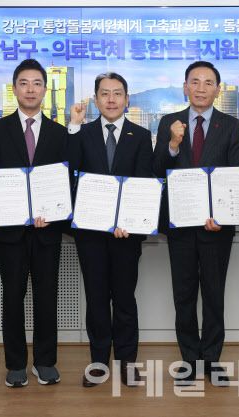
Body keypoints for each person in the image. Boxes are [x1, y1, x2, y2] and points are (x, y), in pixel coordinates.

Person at [0, 59, 69, 388]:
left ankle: (45, 362)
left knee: (46, 296)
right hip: (10, 230)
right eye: (24, 83)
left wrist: (53, 212)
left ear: (45, 89)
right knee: (12, 296)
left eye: (37, 83)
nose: (30, 89)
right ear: (15, 89)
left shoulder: (59, 132)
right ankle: (15, 364)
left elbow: (65, 180)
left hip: (46, 229)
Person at [153, 60, 239, 385]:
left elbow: (237, 173)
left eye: (208, 83)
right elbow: (156, 169)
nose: (201, 88)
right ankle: (190, 360)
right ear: (185, 87)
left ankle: (212, 360)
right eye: (195, 82)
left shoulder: (231, 125)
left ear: (217, 90)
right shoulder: (169, 122)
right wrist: (173, 144)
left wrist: (223, 215)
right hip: (180, 226)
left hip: (216, 228)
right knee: (184, 295)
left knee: (214, 296)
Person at [67, 72, 153, 387]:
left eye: (117, 93)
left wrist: (128, 221)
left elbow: (143, 182)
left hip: (126, 235)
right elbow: (69, 169)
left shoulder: (141, 136)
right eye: (105, 93)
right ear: (96, 99)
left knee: (125, 299)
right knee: (97, 299)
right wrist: (73, 126)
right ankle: (99, 363)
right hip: (90, 234)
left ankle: (128, 363)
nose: (111, 99)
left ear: (127, 99)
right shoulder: (82, 132)